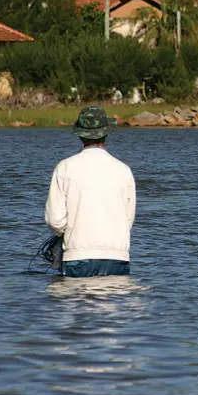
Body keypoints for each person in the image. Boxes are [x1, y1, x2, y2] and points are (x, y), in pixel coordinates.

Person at [45, 106, 136, 277]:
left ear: (80, 135)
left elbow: (55, 220)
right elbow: (127, 221)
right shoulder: (124, 170)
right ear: (106, 133)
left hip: (78, 258)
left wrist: (73, 231)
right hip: (118, 258)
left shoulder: (65, 168)